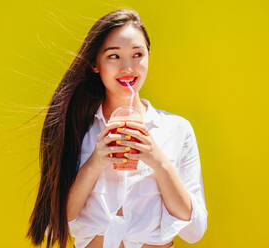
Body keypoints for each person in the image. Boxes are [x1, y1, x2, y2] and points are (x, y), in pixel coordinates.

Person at [26, 8, 208, 248]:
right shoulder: (78, 128)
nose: (128, 68)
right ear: (95, 63)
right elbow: (55, 222)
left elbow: (194, 232)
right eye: (114, 56)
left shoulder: (176, 130)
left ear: (148, 57)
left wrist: (158, 161)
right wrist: (95, 162)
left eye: (137, 54)